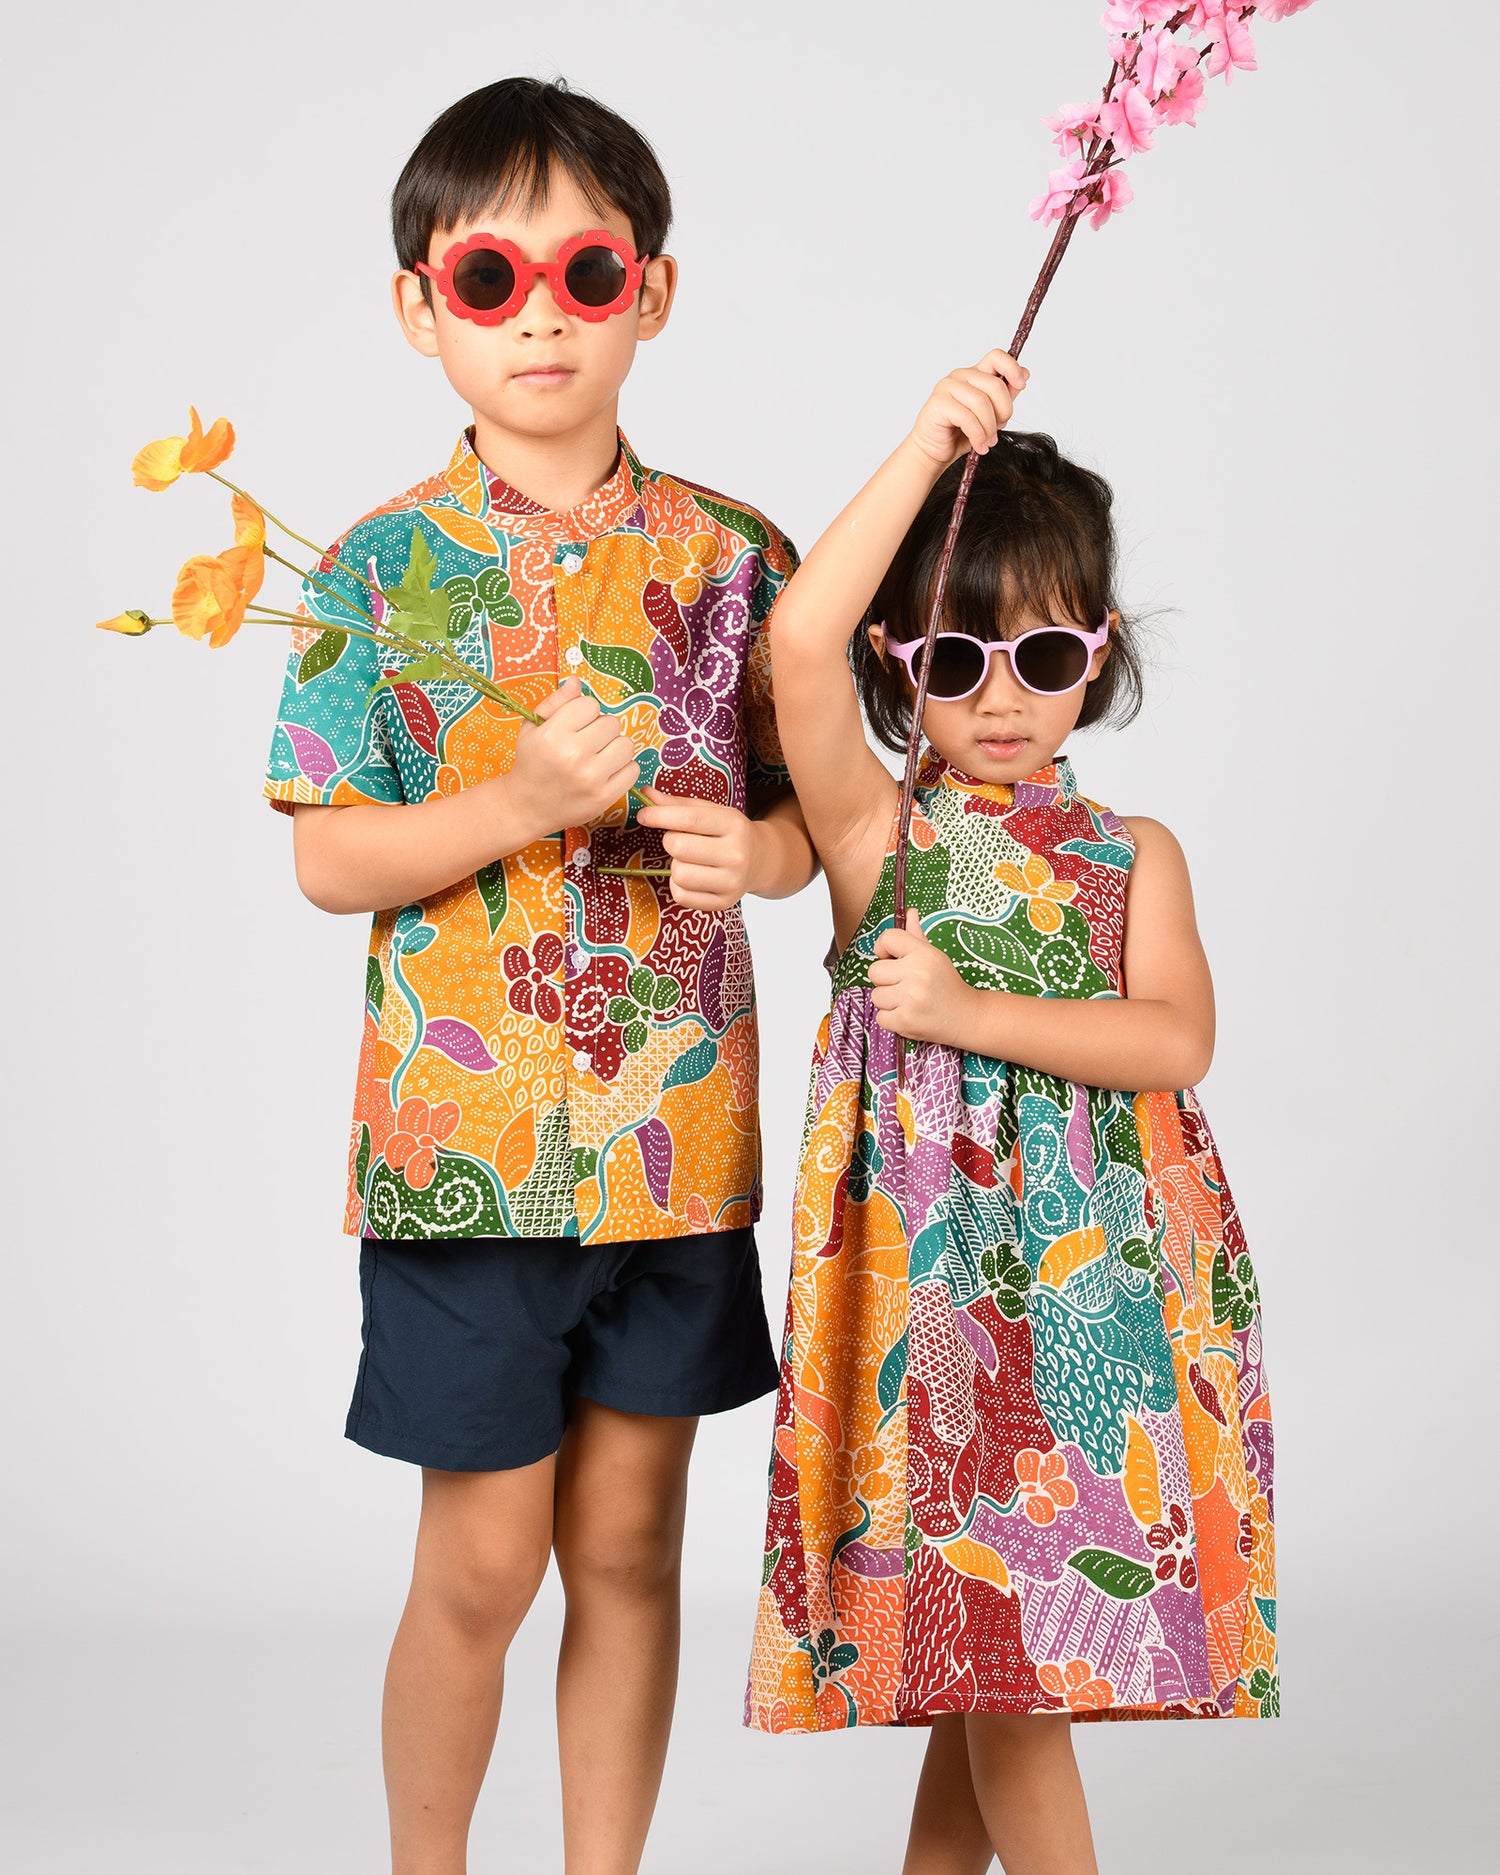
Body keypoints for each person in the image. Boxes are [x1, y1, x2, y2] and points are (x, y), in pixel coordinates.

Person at [263, 77, 817, 1875]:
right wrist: (510, 803)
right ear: (421, 306)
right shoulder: (373, 574)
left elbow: (824, 819)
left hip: (673, 1147)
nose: (544, 320)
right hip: (469, 1152)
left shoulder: (742, 563)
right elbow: (330, 854)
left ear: (653, 291)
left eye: (587, 273)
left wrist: (770, 856)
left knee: (637, 1550)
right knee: (484, 1563)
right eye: (490, 280)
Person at [747, 353, 1277, 1874]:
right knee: (999, 1657)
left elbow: (1177, 1038)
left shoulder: (1136, 853)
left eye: (1043, 658)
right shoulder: (876, 831)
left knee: (1013, 1659)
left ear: (1096, 660)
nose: (998, 697)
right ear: (897, 660)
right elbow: (795, 636)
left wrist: (970, 1014)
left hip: (1107, 1298)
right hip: (941, 1307)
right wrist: (924, 449)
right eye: (954, 656)